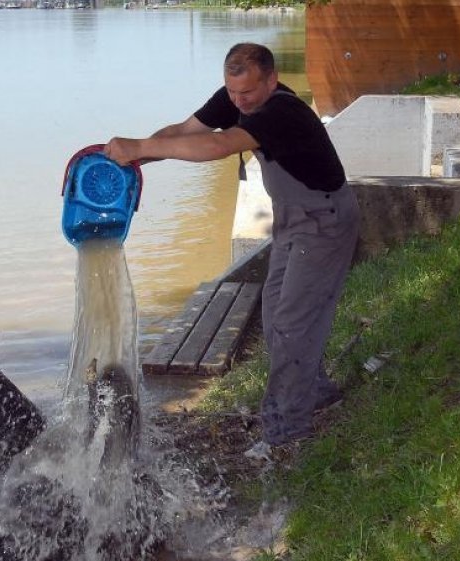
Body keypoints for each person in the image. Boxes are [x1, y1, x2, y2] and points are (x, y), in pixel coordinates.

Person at [104, 42, 360, 452]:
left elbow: (218, 146)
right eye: (233, 92)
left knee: (293, 322)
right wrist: (136, 156)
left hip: (324, 222)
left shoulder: (282, 111)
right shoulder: (235, 95)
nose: (239, 101)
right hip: (293, 219)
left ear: (272, 80)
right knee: (276, 309)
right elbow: (185, 133)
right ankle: (314, 391)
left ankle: (285, 431)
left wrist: (141, 147)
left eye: (248, 93)